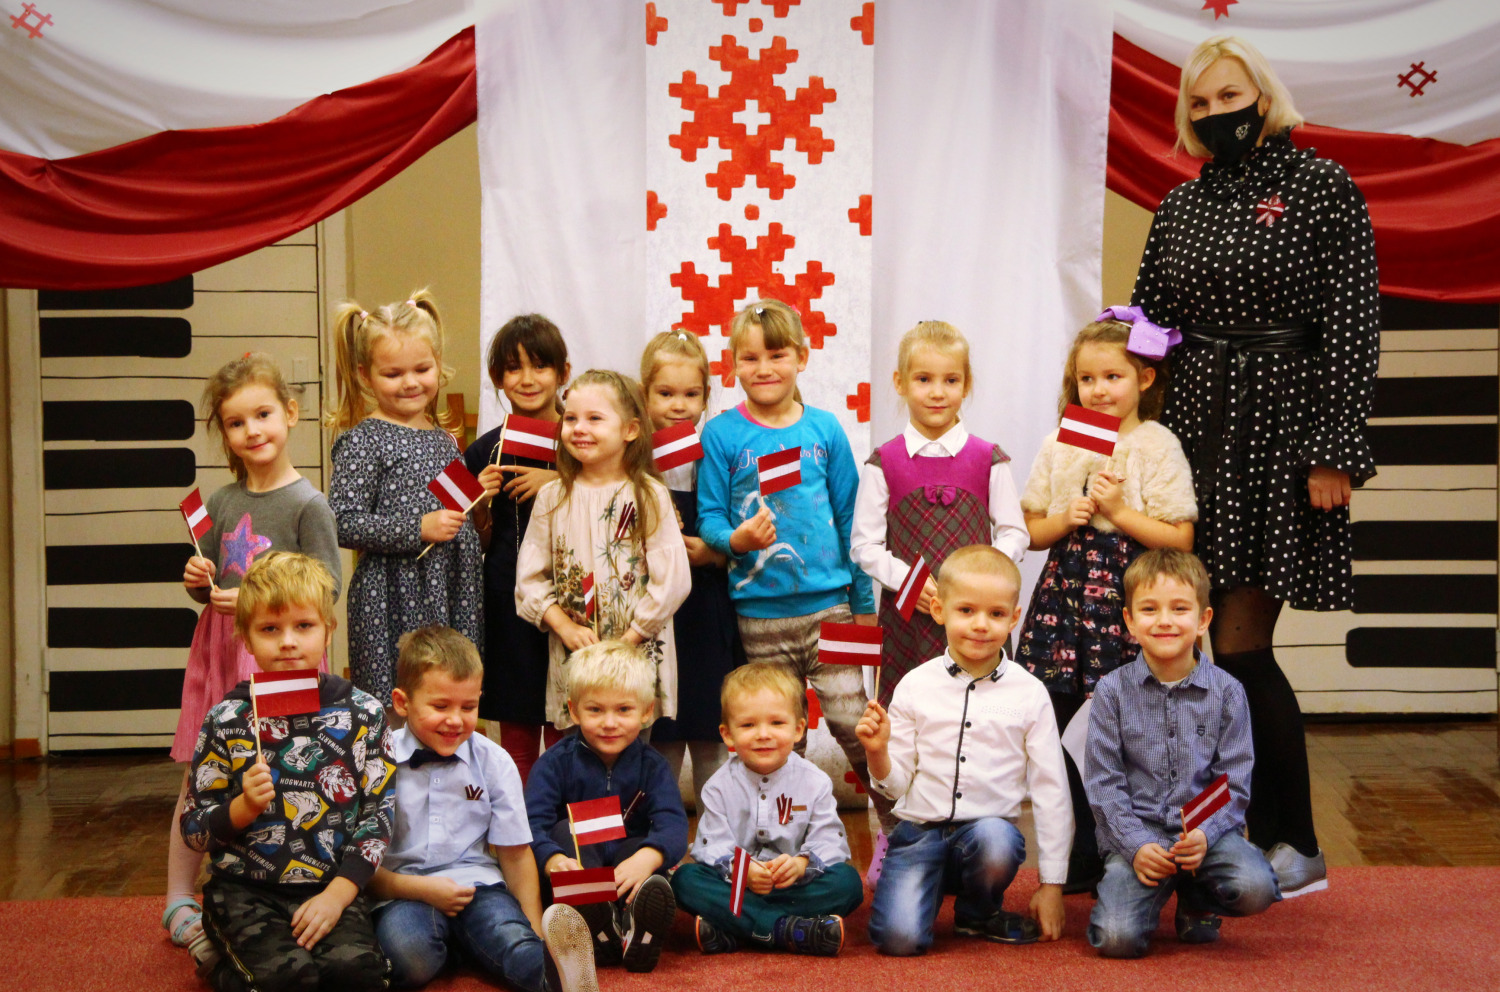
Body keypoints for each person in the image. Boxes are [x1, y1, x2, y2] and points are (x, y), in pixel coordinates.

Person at [1131, 34, 1380, 895]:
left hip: (1282, 432)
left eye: (1228, 97)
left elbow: (1353, 327)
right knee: (1199, 641)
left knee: (1241, 645)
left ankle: (1298, 841)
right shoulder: (1180, 205)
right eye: (1198, 105)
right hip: (1194, 429)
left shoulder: (1322, 186)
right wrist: (1112, 423)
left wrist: (1335, 450)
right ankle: (1238, 830)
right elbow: (1149, 327)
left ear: (1263, 99)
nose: (1214, 115)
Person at [165, 354, 342, 965]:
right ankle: (178, 896)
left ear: (290, 414)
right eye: (236, 423)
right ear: (224, 433)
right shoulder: (220, 500)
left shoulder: (309, 504)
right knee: (203, 771)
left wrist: (258, 602)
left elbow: (327, 588)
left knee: (287, 771)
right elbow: (212, 582)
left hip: (278, 659)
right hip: (220, 652)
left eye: (262, 415)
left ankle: (285, 881)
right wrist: (199, 580)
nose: (252, 431)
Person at [1014, 314, 1197, 890]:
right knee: (1057, 721)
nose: (1098, 390)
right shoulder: (1060, 442)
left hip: (1123, 604)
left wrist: (1119, 513)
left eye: (1112, 377)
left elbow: (1180, 538)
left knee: (1117, 725)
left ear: (1144, 379)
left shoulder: (1157, 445)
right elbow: (1029, 528)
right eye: (1086, 378)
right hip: (1064, 605)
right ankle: (1073, 853)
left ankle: (1125, 843)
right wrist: (1062, 519)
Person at [696, 298, 891, 831]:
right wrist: (737, 539)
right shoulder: (721, 435)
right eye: (750, 358)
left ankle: (899, 833)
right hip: (759, 618)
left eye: (777, 355)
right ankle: (785, 841)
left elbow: (852, 522)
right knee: (779, 742)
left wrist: (863, 604)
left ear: (802, 358)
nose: (764, 369)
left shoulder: (824, 430)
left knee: (855, 725)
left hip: (831, 611)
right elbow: (709, 517)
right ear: (732, 364)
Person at [852, 319, 1028, 882]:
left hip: (975, 624)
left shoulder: (988, 458)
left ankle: (975, 841)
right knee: (907, 728)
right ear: (900, 383)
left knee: (976, 725)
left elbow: (1014, 532)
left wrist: (978, 582)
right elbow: (864, 546)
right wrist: (911, 581)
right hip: (909, 621)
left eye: (950, 380)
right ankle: (897, 835)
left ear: (966, 384)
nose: (937, 392)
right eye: (923, 379)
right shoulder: (884, 461)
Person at [182, 552, 393, 992]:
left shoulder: (366, 713)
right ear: (245, 638)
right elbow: (193, 831)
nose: (288, 642)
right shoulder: (225, 719)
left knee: (357, 976)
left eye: (304, 626)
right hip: (243, 890)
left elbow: (378, 818)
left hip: (330, 886)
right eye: (269, 629)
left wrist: (338, 895)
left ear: (328, 630)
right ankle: (218, 964)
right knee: (289, 979)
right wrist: (241, 808)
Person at [856, 545, 1071, 956]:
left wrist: (1052, 886)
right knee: (898, 941)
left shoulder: (1030, 693)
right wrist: (878, 751)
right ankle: (924, 883)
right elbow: (893, 786)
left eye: (996, 613)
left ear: (1014, 618)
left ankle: (978, 910)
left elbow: (1052, 791)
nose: (980, 625)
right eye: (966, 610)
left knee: (998, 840)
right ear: (939, 610)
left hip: (986, 836)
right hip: (919, 832)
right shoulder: (915, 685)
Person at [368, 626, 596, 992]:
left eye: (468, 707)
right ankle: (466, 947)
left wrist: (535, 930)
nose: (455, 720)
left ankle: (556, 975)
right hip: (404, 891)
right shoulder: (377, 760)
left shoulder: (494, 761)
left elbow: (515, 854)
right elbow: (363, 861)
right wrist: (422, 890)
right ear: (401, 702)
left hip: (478, 886)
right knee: (409, 957)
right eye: (440, 706)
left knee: (513, 939)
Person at [1085, 548, 1280, 958]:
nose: (1165, 620)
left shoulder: (1228, 692)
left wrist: (1205, 834)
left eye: (1179, 608)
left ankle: (1197, 897)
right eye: (1149, 609)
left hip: (1205, 832)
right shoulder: (1111, 692)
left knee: (1255, 887)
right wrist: (1136, 845)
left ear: (1203, 619)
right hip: (1139, 832)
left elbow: (1233, 781)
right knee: (1116, 939)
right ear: (1130, 621)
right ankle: (1149, 888)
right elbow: (1104, 784)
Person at [326, 290, 491, 705]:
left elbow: (459, 515)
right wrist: (417, 528)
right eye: (393, 373)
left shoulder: (445, 440)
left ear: (438, 364)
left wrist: (480, 498)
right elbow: (342, 521)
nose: (411, 382)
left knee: (449, 698)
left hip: (453, 591)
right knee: (398, 705)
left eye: (422, 368)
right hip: (392, 597)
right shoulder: (363, 440)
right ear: (365, 375)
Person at [514, 370, 691, 731]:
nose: (579, 428)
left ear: (630, 430)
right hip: (576, 657)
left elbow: (673, 581)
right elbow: (528, 580)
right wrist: (563, 626)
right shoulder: (551, 497)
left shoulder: (649, 495)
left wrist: (629, 639)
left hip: (635, 655)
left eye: (595, 418)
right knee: (579, 747)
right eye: (571, 418)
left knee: (630, 743)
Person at [671, 663, 863, 956]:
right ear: (727, 734)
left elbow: (830, 842)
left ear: (798, 729)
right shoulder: (717, 786)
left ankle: (738, 928)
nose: (763, 734)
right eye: (748, 725)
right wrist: (743, 871)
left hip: (795, 888)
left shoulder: (816, 782)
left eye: (776, 723)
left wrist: (801, 864)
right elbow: (712, 847)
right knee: (685, 881)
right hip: (738, 888)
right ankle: (789, 929)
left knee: (848, 884)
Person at [524, 641, 687, 974]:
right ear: (574, 711)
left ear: (646, 711)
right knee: (563, 830)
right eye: (595, 710)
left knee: (649, 855)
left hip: (628, 873)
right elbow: (532, 825)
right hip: (576, 873)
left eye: (624, 710)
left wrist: (648, 857)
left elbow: (673, 825)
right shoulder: (554, 764)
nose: (609, 723)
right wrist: (552, 860)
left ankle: (628, 927)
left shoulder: (653, 766)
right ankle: (596, 923)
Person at [639, 329, 745, 811]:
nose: (679, 406)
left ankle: (716, 835)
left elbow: (739, 536)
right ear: (644, 395)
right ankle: (657, 833)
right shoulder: (632, 461)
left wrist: (712, 553)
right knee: (660, 729)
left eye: (691, 394)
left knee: (708, 726)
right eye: (665, 394)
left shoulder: (715, 457)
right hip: (656, 614)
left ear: (706, 397)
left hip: (706, 610)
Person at [465, 315, 572, 782]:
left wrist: (559, 480)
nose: (527, 379)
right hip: (507, 600)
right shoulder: (483, 451)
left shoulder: (585, 441)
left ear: (563, 373)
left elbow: (613, 496)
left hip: (571, 600)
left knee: (569, 723)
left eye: (540, 366)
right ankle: (521, 821)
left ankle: (563, 822)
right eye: (513, 368)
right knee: (517, 729)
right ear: (497, 378)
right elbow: (480, 542)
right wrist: (478, 509)